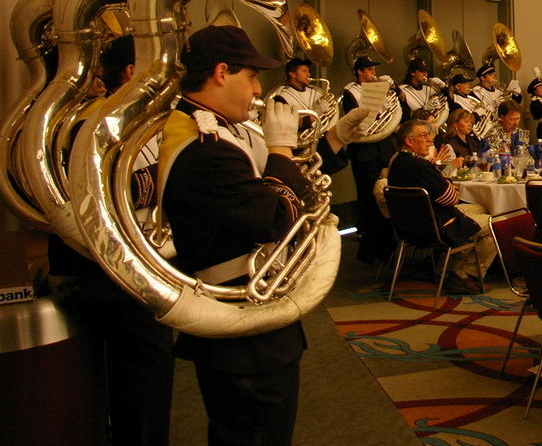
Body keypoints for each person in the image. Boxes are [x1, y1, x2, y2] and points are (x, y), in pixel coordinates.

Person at [161, 26, 381, 445]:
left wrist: (335, 137)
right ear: (222, 73)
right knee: (257, 433)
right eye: (251, 76)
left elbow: (292, 176)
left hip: (256, 310)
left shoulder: (224, 129)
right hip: (243, 320)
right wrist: (280, 149)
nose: (258, 89)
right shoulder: (203, 144)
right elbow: (273, 216)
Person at [50, 35, 173, 446]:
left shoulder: (139, 120)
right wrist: (175, 175)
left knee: (140, 381)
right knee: (142, 383)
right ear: (133, 73)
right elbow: (99, 194)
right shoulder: (98, 124)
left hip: (136, 266)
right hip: (116, 275)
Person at [382, 119, 497, 291]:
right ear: (409, 141)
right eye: (424, 136)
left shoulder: (398, 161)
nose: (430, 140)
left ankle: (448, 265)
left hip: (408, 226)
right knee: (495, 223)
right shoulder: (420, 166)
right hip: (434, 226)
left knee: (482, 207)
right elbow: (451, 198)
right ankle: (463, 274)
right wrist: (445, 179)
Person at [340, 55, 398, 263]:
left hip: (384, 148)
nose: (374, 73)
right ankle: (372, 249)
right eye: (370, 70)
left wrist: (393, 93)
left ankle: (388, 243)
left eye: (374, 70)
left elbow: (397, 112)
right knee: (369, 198)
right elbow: (354, 119)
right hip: (365, 151)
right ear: (360, 72)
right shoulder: (350, 92)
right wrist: (377, 110)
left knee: (387, 194)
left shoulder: (380, 87)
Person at [395, 58, 448, 129]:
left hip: (434, 126)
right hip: (415, 128)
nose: (425, 74)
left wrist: (443, 87)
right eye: (422, 71)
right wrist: (424, 109)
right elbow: (405, 116)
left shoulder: (429, 88)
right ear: (412, 72)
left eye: (426, 71)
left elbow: (450, 98)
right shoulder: (403, 90)